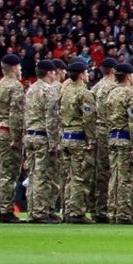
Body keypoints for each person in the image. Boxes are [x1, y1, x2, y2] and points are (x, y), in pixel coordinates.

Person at [106, 64, 133, 224]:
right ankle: (124, 214)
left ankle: (113, 210)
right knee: (125, 178)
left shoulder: (112, 94)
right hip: (126, 139)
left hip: (113, 137)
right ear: (129, 76)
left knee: (115, 177)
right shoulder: (130, 95)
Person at [56, 57, 99, 224]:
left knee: (68, 177)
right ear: (82, 75)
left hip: (66, 136)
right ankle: (76, 212)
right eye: (86, 72)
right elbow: (89, 119)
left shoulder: (64, 91)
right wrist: (91, 140)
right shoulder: (85, 93)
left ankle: (68, 210)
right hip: (79, 139)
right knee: (80, 177)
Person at [22, 58, 65, 224]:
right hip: (42, 136)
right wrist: (54, 143)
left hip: (30, 135)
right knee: (42, 175)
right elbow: (52, 118)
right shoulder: (49, 91)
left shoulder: (31, 89)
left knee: (33, 174)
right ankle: (40, 212)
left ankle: (34, 209)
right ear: (49, 73)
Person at [0, 54, 26, 222]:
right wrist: (17, 138)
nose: (21, 70)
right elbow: (16, 115)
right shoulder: (15, 86)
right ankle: (6, 210)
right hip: (7, 132)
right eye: (19, 67)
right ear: (14, 68)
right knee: (9, 174)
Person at [90, 57, 122, 222]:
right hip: (109, 131)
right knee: (110, 171)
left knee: (98, 171)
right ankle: (107, 208)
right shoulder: (114, 89)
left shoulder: (94, 88)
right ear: (114, 71)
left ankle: (97, 208)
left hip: (96, 130)